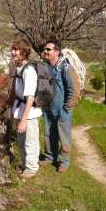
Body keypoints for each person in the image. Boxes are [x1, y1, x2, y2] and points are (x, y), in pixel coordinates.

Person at [40, 39, 74, 173]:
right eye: (45, 49)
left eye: (48, 49)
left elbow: (72, 89)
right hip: (49, 107)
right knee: (49, 134)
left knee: (64, 136)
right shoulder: (46, 67)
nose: (45, 51)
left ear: (57, 52)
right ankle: (50, 157)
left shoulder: (65, 67)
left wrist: (68, 107)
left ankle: (64, 161)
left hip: (63, 109)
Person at [12, 39, 42, 178]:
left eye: (16, 50)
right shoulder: (19, 68)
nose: (12, 52)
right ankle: (26, 166)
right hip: (19, 111)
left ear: (24, 53)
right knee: (21, 141)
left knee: (30, 141)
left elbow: (30, 97)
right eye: (12, 49)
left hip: (28, 113)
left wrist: (23, 120)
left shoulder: (29, 70)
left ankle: (31, 168)